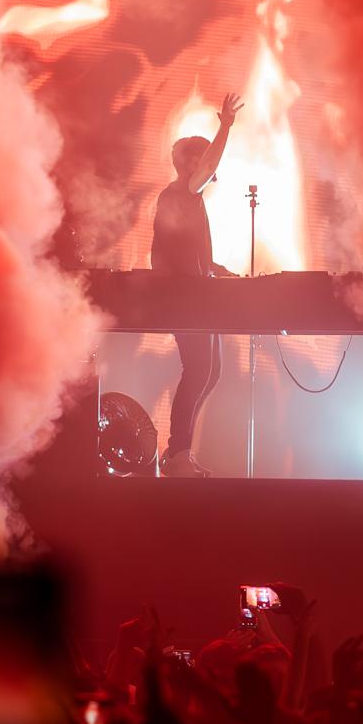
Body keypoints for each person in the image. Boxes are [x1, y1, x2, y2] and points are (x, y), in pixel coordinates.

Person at [151, 90, 242, 476]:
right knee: (198, 370)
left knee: (211, 371)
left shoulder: (187, 200)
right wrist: (225, 127)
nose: (209, 166)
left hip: (195, 294)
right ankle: (176, 455)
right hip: (184, 299)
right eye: (201, 158)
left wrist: (214, 268)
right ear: (188, 163)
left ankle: (179, 453)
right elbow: (209, 165)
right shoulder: (183, 192)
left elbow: (181, 249)